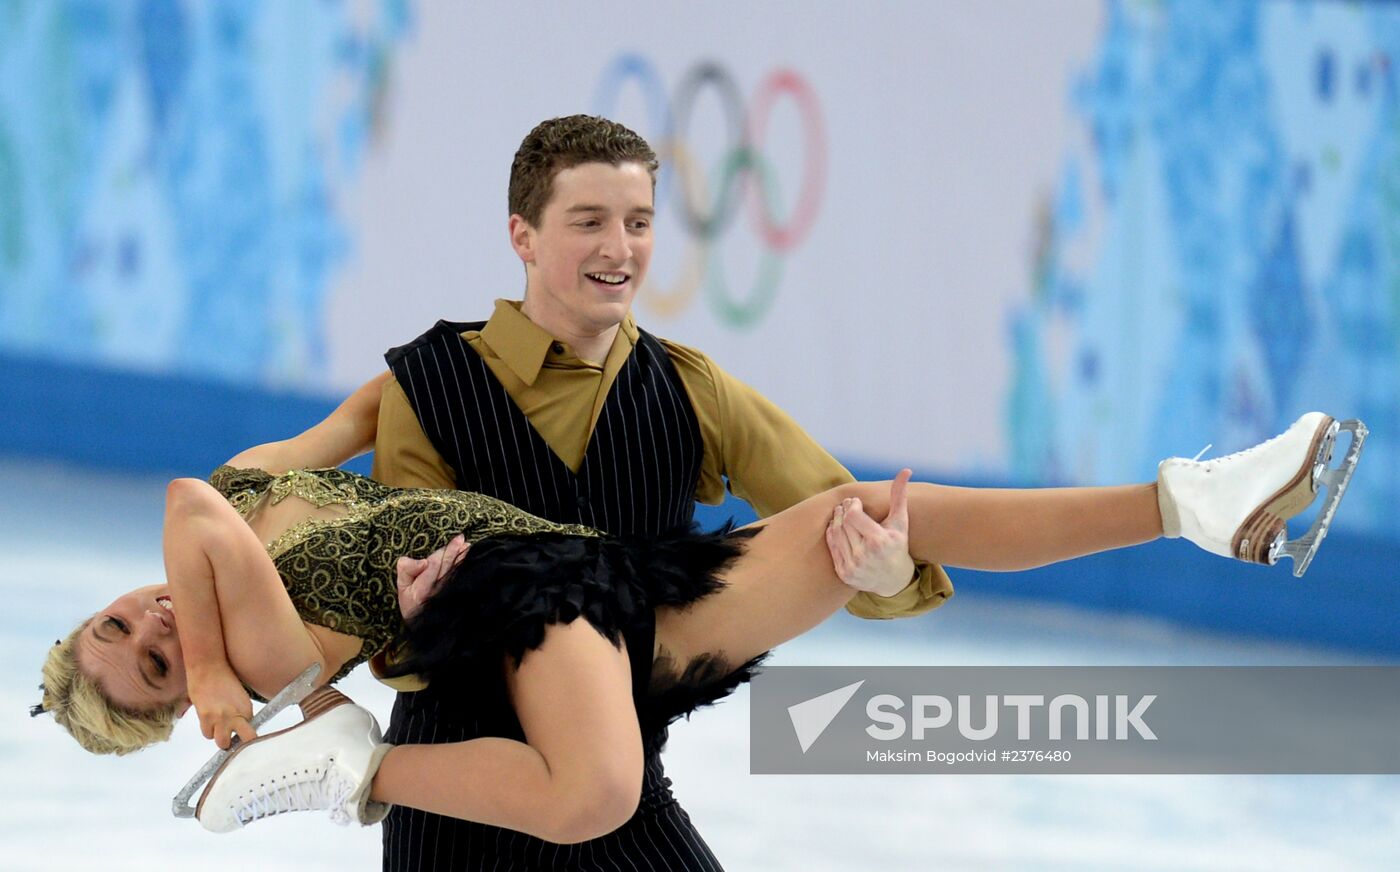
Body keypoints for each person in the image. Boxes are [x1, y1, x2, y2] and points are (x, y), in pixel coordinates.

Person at [35, 368, 1360, 846]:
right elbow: (186, 512)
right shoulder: (250, 655)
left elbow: (370, 416)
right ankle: (365, 773)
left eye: (121, 629)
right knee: (598, 796)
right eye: (150, 670)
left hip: (602, 582)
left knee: (868, 527)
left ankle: (1188, 502)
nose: (153, 634)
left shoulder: (245, 484)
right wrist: (222, 683)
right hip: (519, 599)